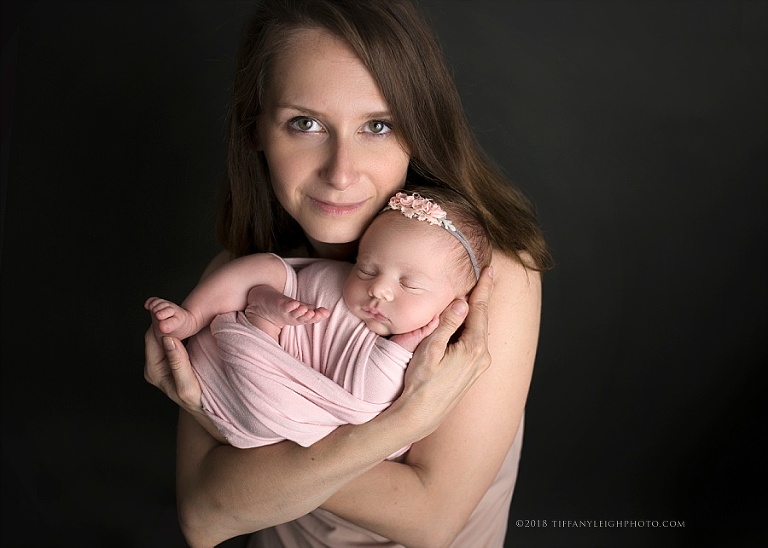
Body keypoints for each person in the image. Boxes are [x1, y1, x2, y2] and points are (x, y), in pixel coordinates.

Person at [143, 0, 552, 546]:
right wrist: (400, 426)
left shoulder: (487, 276)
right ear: (256, 129)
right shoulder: (239, 279)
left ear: (420, 130)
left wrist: (225, 411)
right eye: (305, 123)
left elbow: (431, 519)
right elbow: (204, 519)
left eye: (378, 125)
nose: (340, 172)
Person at [145, 186, 491, 455]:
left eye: (409, 285)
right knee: (261, 268)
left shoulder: (423, 354)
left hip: (269, 402)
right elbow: (291, 275)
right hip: (222, 348)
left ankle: (262, 321)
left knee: (265, 424)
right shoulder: (338, 280)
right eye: (366, 267)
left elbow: (365, 405)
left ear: (454, 306)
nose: (379, 288)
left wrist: (403, 346)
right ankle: (193, 315)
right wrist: (274, 285)